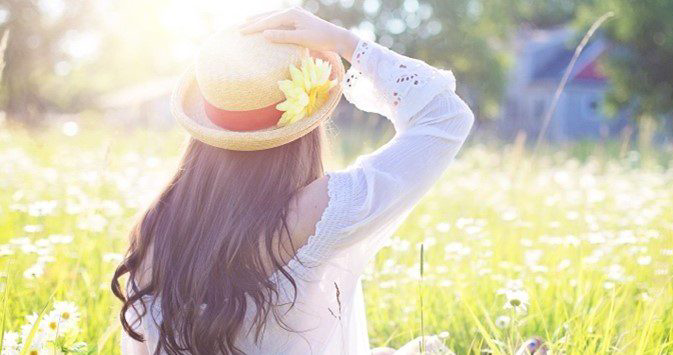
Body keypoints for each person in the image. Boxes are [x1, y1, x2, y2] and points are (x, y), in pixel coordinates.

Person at [111, 6, 474, 355]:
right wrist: (345, 42)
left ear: (205, 131)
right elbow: (445, 116)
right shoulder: (316, 212)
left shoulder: (158, 224)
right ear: (306, 119)